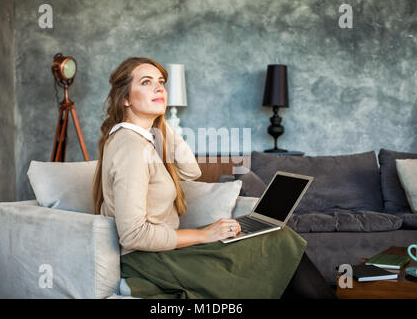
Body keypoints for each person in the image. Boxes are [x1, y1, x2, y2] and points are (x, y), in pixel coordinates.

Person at [92, 57, 335, 299]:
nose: (159, 88)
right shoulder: (132, 147)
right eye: (146, 82)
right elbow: (134, 235)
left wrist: (160, 124)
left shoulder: (146, 138)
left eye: (161, 83)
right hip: (148, 261)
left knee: (273, 238)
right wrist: (204, 235)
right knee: (279, 241)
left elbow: (191, 171)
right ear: (125, 98)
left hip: (164, 252)